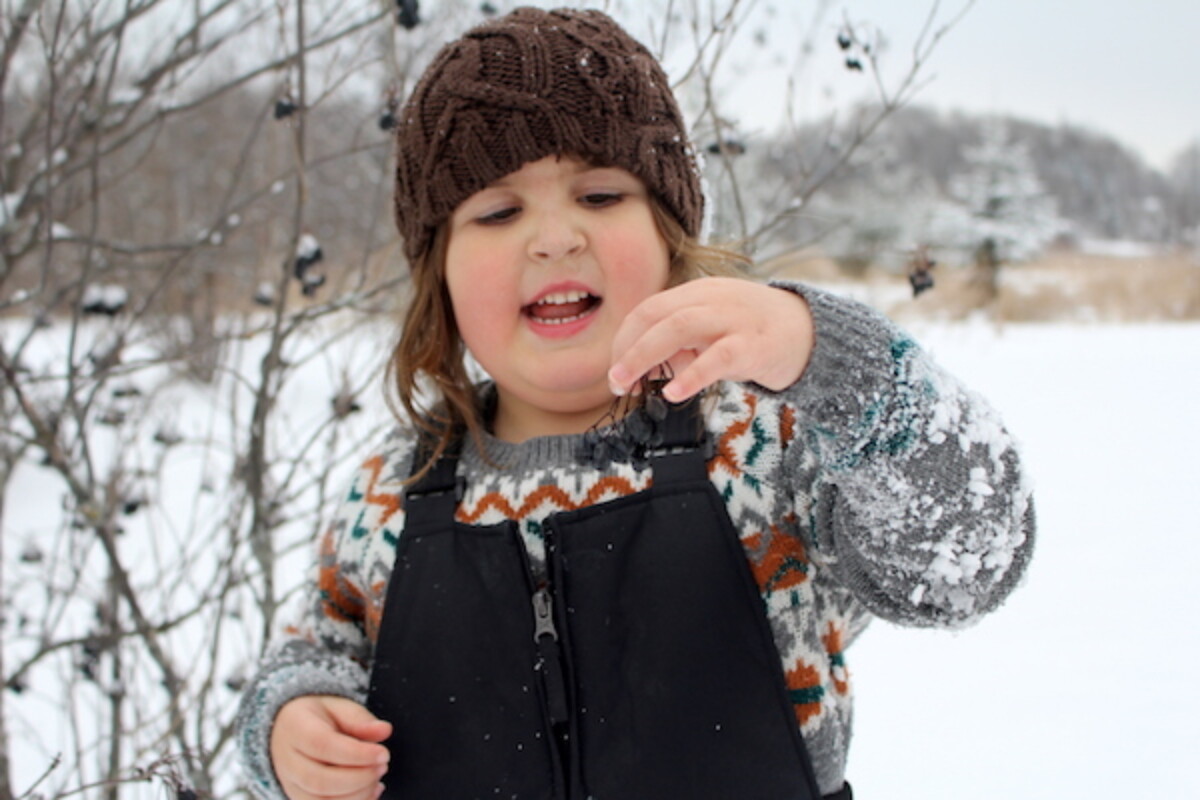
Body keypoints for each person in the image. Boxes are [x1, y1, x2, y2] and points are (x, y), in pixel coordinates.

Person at [236, 8, 1035, 800]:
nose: (553, 238)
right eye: (499, 210)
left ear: (670, 237)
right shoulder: (390, 490)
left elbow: (970, 559)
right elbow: (316, 647)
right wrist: (292, 724)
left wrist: (830, 359)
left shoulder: (765, 444)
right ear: (437, 275)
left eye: (600, 195)